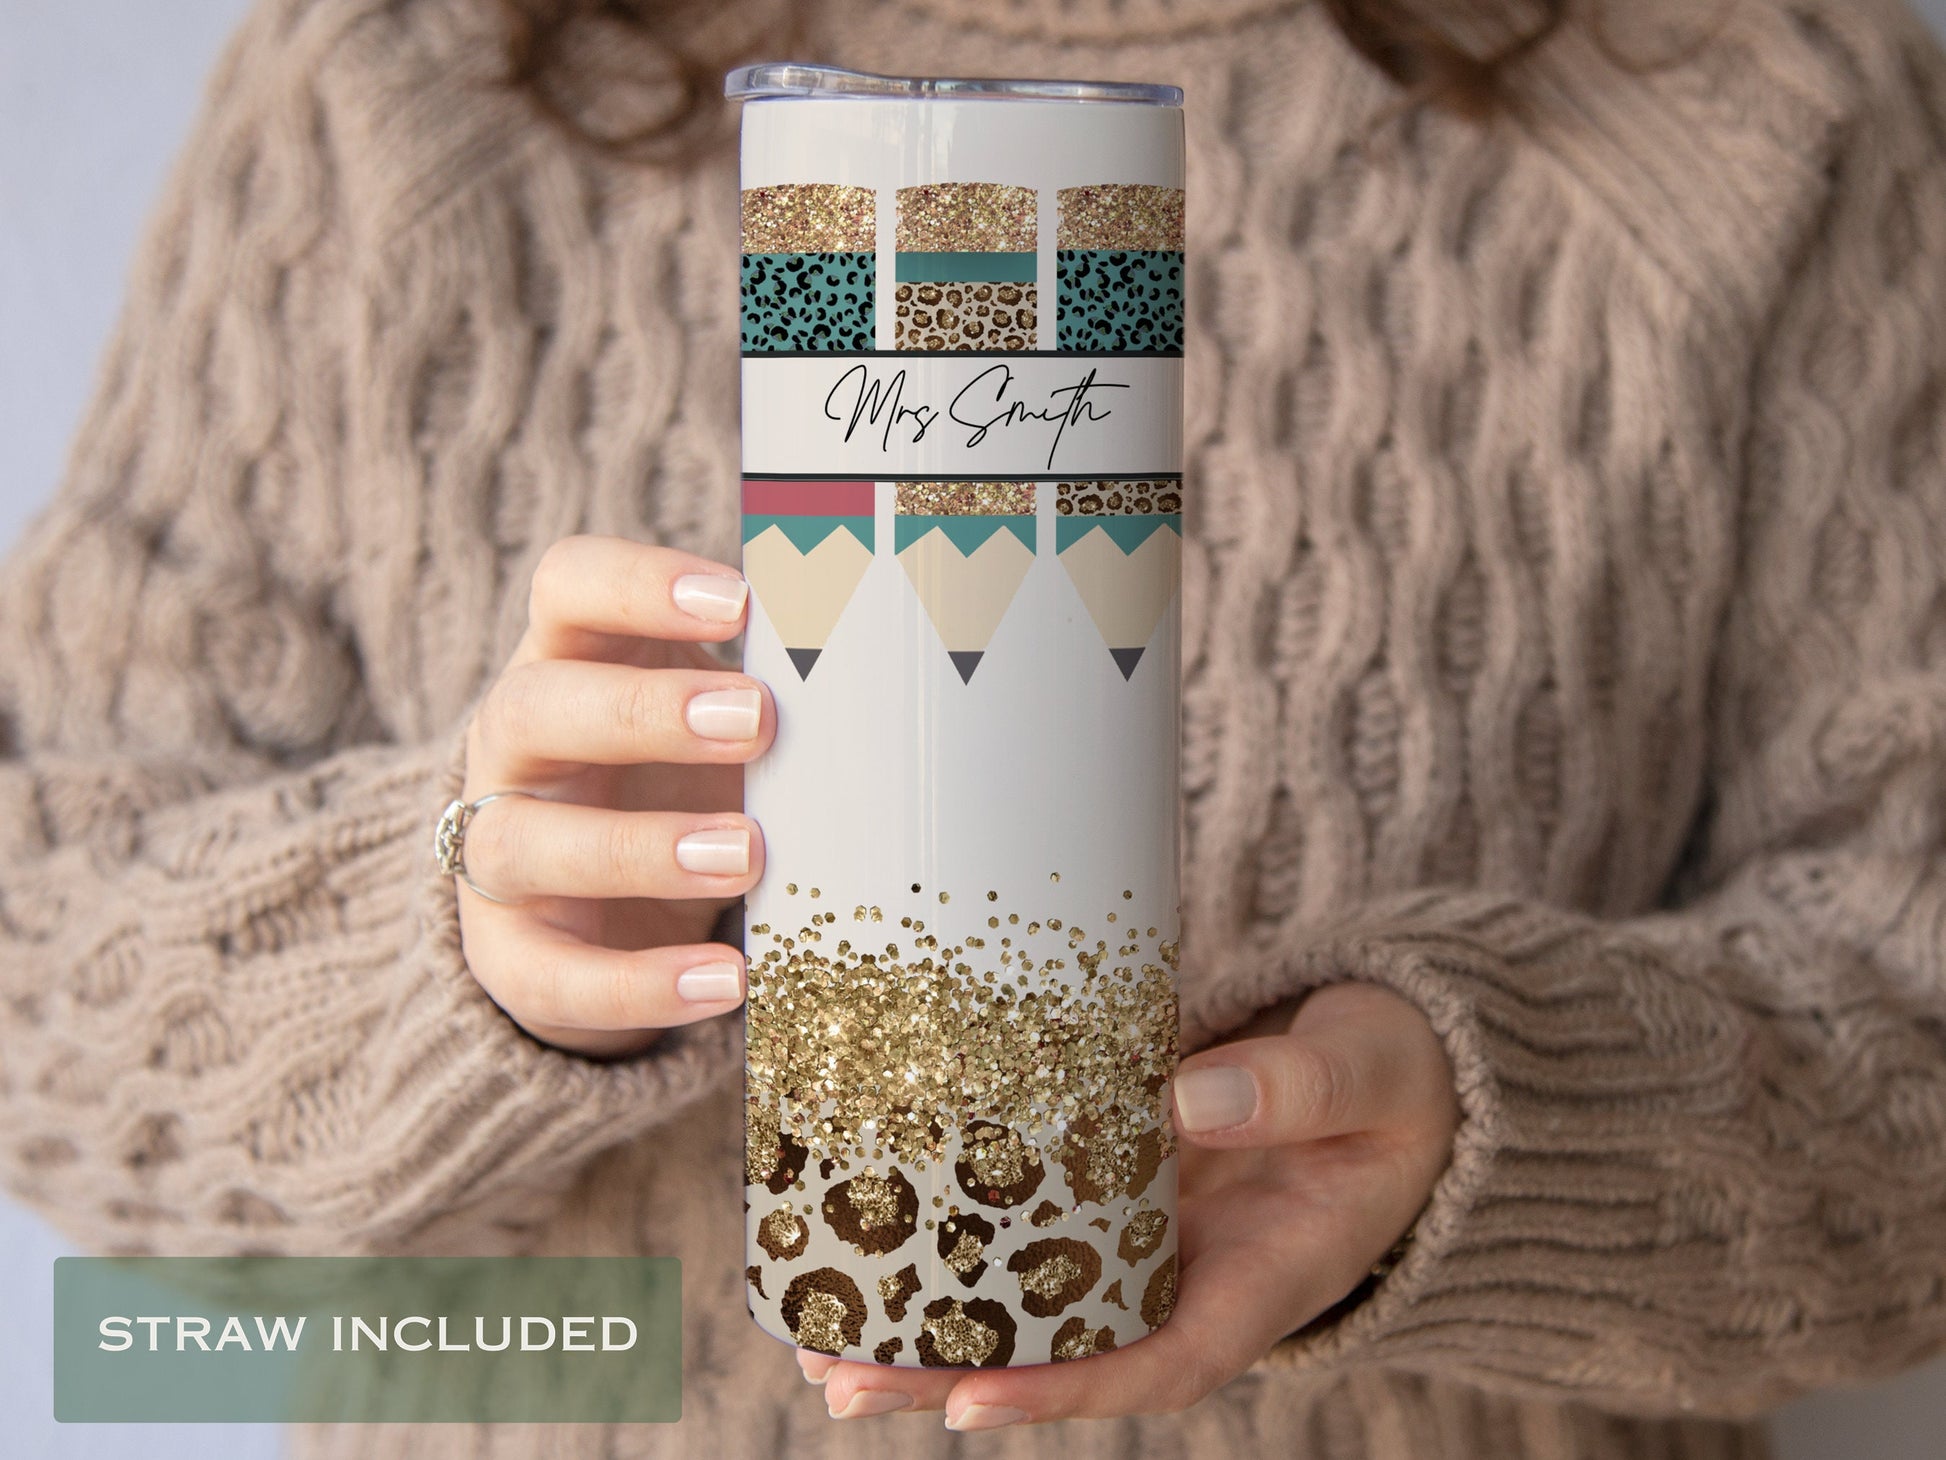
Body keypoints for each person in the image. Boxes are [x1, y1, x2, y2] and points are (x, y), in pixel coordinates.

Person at [4, 0, 1946, 1454]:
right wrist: (444, 937)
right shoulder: (413, 75)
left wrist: (1501, 1133)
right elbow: (41, 984)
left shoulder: (1753, 97)